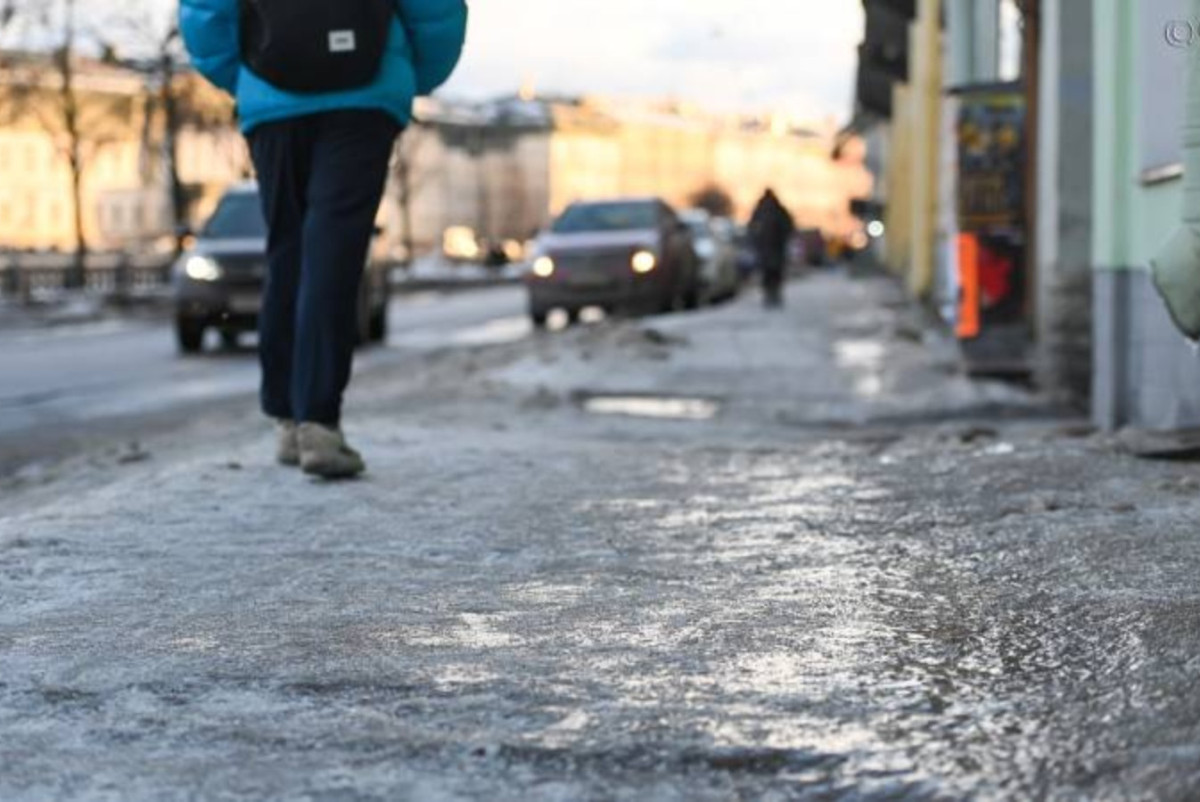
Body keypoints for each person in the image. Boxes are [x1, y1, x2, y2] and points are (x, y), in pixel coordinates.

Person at [180, 0, 468, 478]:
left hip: (271, 100)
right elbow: (437, 11)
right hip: (364, 96)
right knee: (333, 255)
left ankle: (287, 418)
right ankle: (319, 422)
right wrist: (407, 74)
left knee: (287, 251)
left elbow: (204, 13)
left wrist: (253, 74)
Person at [749, 189, 796, 308]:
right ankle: (773, 294)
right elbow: (789, 226)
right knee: (775, 273)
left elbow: (751, 227)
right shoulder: (779, 210)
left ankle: (770, 294)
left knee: (768, 273)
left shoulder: (761, 210)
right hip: (775, 247)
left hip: (768, 248)